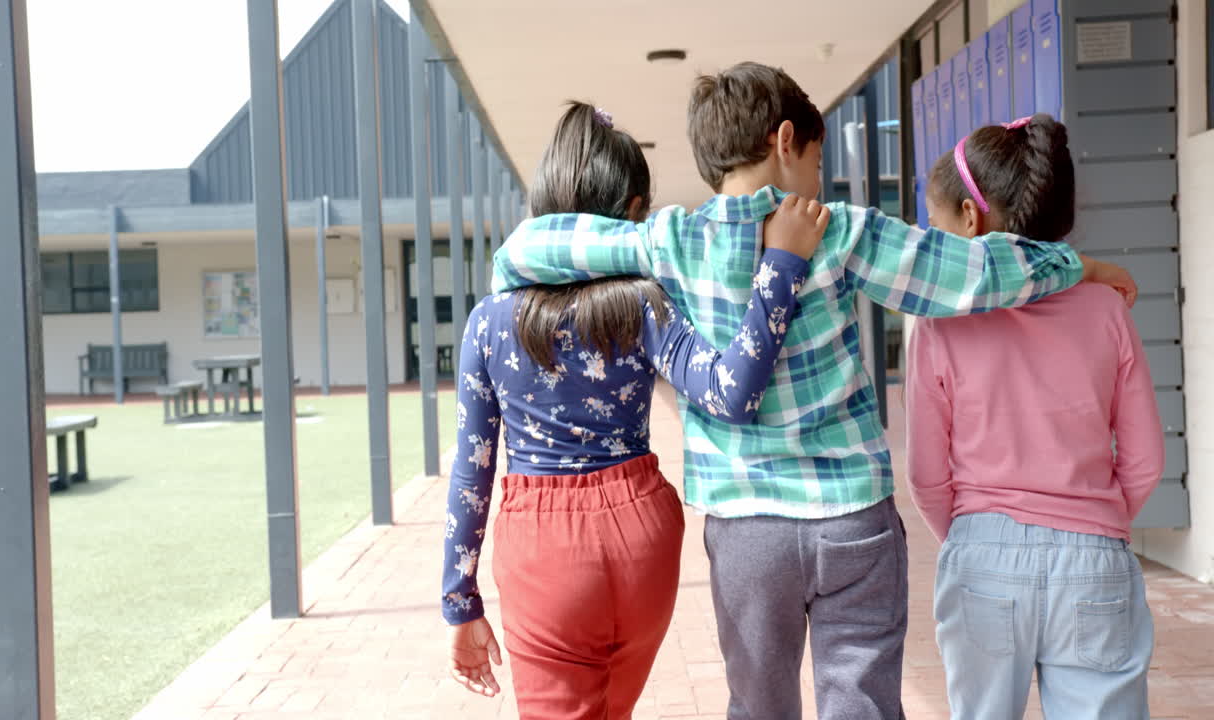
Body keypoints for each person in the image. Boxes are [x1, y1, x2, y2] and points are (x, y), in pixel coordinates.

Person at [488, 63, 1139, 720]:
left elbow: (528, 248)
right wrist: (1075, 265)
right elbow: (972, 273)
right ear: (785, 141)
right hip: (851, 517)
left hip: (746, 528)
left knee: (759, 703)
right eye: (819, 158)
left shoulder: (674, 240)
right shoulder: (843, 230)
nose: (821, 178)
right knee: (862, 700)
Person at [441, 101, 827, 719]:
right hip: (642, 535)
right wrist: (781, 265)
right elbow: (732, 391)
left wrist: (460, 600)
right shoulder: (646, 304)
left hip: (544, 550)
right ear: (629, 218)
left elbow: (471, 472)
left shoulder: (490, 323)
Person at [905, 114, 1163, 720]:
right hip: (1094, 555)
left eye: (935, 222)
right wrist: (1091, 521)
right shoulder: (1107, 307)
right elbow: (1147, 460)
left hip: (982, 554)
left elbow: (925, 474)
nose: (931, 234)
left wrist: (978, 535)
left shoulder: (940, 318)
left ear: (970, 218)